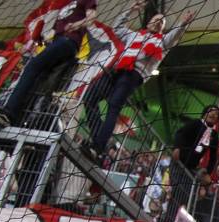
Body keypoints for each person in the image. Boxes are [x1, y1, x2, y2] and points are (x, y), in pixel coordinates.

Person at [82, 0, 195, 162]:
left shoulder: (161, 42)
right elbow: (117, 28)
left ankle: (97, 148)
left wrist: (182, 24)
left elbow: (174, 36)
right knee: (89, 98)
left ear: (162, 28)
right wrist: (130, 11)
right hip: (115, 71)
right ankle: (97, 141)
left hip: (132, 76)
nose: (157, 22)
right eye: (155, 19)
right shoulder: (133, 35)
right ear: (148, 22)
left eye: (161, 22)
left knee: (113, 106)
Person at [0, 0, 98, 127]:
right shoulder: (62, 7)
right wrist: (35, 44)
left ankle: (9, 112)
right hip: (60, 42)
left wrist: (76, 25)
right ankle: (19, 122)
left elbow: (91, 18)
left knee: (32, 67)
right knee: (39, 81)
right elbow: (50, 35)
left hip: (68, 42)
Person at [167, 105, 219, 222]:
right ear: (204, 113)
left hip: (191, 168)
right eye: (211, 111)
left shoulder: (214, 135)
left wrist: (208, 172)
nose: (213, 114)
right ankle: (168, 221)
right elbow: (180, 134)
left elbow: (213, 157)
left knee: (185, 197)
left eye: (216, 113)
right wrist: (176, 148)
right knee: (177, 192)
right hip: (179, 163)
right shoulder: (196, 123)